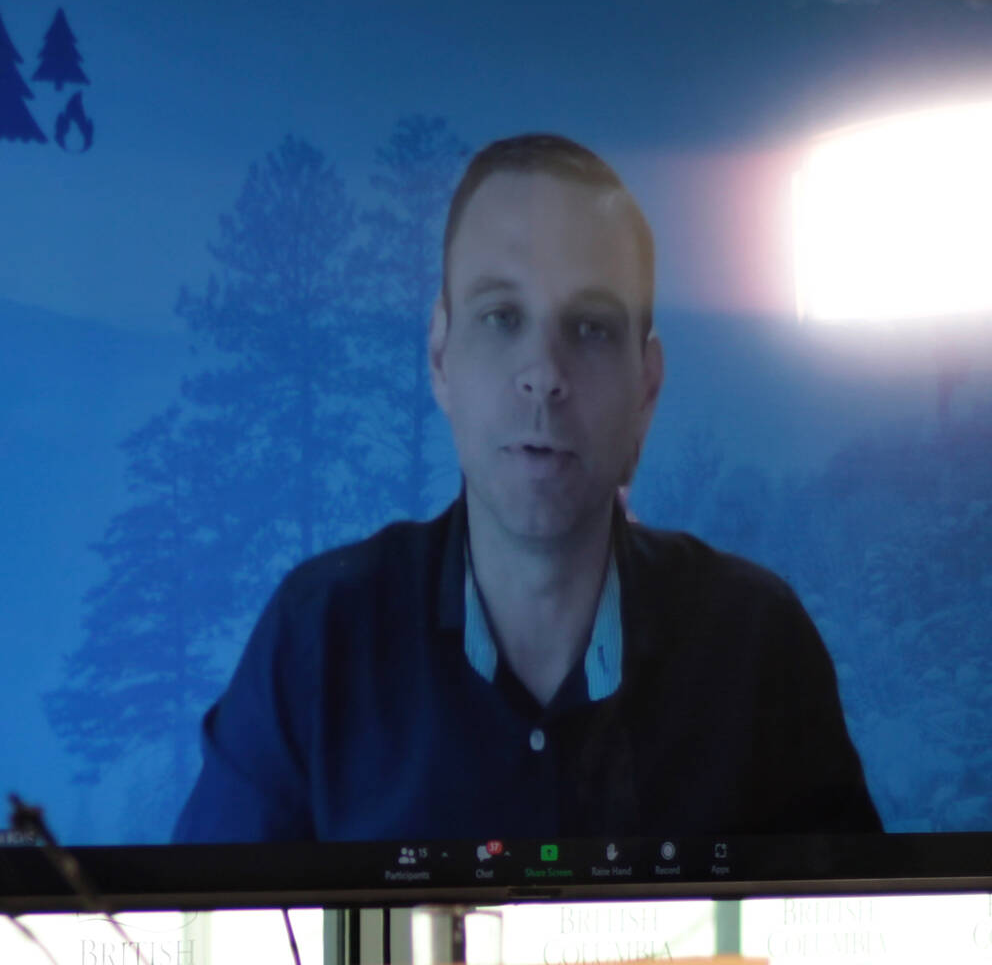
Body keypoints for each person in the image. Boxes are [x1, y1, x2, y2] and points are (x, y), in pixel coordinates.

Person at [173, 134, 881, 844]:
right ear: (441, 358)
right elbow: (202, 947)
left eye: (591, 328)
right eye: (502, 316)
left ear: (648, 386)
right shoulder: (316, 639)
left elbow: (851, 946)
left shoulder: (760, 646)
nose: (544, 371)